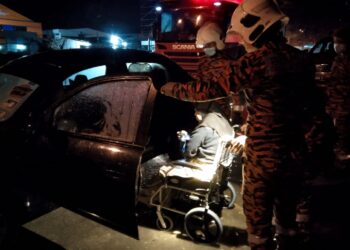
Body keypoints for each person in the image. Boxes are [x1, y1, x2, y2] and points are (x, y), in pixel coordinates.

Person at [160, 0, 333, 249]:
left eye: (241, 35)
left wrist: (167, 88)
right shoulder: (302, 60)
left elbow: (207, 89)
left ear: (256, 28)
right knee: (287, 217)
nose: (240, 41)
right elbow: (309, 106)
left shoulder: (256, 62)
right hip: (296, 153)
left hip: (263, 157)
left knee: (259, 223)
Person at [159, 101, 235, 182]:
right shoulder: (227, 130)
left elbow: (188, 153)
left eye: (196, 111)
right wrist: (189, 137)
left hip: (199, 171)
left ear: (203, 112)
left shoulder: (204, 127)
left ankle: (167, 192)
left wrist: (183, 142)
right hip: (214, 173)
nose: (195, 114)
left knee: (165, 169)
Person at [326, 25, 350, 169]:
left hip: (344, 105)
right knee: (339, 133)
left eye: (339, 42)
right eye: (335, 42)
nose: (336, 45)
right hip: (337, 104)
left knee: (343, 134)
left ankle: (344, 162)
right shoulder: (339, 58)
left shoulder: (346, 60)